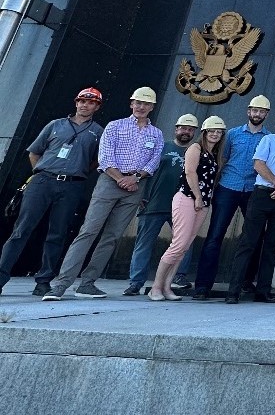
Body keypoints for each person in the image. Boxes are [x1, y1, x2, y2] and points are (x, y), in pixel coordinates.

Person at [45, 87, 165, 300]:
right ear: (131, 104)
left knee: (111, 237)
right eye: (137, 102)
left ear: (152, 107)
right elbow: (105, 156)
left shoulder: (156, 134)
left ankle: (88, 283)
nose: (141, 107)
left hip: (135, 188)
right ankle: (61, 284)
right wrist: (121, 178)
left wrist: (135, 178)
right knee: (89, 231)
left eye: (146, 104)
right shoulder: (115, 126)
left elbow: (154, 161)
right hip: (110, 182)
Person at [0, 88, 104, 298]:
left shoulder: (98, 132)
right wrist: (42, 172)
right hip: (43, 180)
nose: (85, 105)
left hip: (72, 185)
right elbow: (34, 152)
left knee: (57, 233)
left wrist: (78, 171)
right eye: (82, 101)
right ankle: (1, 276)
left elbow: (96, 160)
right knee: (22, 229)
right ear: (76, 103)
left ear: (97, 107)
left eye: (91, 102)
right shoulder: (55, 125)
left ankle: (44, 280)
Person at [225, 104, 275, 303]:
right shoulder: (268, 140)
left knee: (272, 246)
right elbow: (258, 164)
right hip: (262, 195)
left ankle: (263, 291)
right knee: (248, 242)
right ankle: (233, 291)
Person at [193, 94, 271, 300]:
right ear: (248, 111)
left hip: (253, 191)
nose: (257, 114)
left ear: (266, 114)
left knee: (253, 238)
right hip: (228, 187)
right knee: (215, 236)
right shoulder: (233, 135)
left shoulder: (269, 138)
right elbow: (222, 160)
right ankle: (202, 286)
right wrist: (212, 188)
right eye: (254, 110)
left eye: (261, 111)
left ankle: (245, 281)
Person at [149, 116, 227, 300]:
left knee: (184, 246)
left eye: (219, 132)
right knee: (177, 244)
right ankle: (156, 287)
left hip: (202, 204)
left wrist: (204, 200)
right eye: (212, 131)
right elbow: (190, 172)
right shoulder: (195, 148)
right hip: (187, 199)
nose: (215, 134)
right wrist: (198, 197)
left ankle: (168, 287)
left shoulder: (214, 154)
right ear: (205, 132)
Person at [124, 114, 199, 296]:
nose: (186, 132)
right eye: (183, 128)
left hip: (183, 204)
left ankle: (179, 277)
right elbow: (144, 173)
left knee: (183, 243)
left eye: (190, 129)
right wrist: (142, 196)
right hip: (155, 202)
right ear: (176, 129)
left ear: (194, 132)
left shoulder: (196, 151)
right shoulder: (161, 147)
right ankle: (136, 282)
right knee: (144, 243)